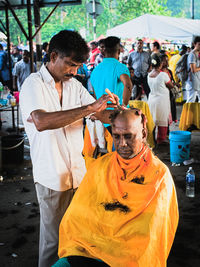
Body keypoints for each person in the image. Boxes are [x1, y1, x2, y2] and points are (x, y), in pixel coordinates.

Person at [19, 30, 119, 267]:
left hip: (77, 174)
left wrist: (117, 111)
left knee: (76, 237)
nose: (74, 71)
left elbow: (99, 113)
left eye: (78, 66)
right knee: (53, 242)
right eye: (71, 64)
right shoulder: (34, 84)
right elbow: (42, 121)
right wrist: (90, 109)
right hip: (51, 176)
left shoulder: (73, 85)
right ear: (53, 56)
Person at [55, 108, 179, 267]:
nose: (122, 144)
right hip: (88, 248)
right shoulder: (101, 165)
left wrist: (117, 244)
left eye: (129, 136)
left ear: (143, 133)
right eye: (117, 137)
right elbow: (77, 215)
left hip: (130, 255)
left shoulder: (159, 175)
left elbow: (152, 230)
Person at [89, 36, 132, 149]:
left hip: (102, 115)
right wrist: (124, 106)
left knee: (115, 143)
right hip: (117, 115)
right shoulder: (119, 67)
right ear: (118, 51)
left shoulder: (96, 70)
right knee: (122, 146)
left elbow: (94, 94)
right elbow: (127, 85)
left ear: (104, 50)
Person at [147, 54, 174, 144]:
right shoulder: (163, 75)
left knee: (153, 119)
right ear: (161, 64)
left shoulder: (149, 75)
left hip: (152, 100)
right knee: (162, 119)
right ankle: (161, 139)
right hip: (162, 101)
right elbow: (171, 86)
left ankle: (152, 139)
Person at [160, 54, 177, 123]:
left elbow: (172, 81)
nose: (166, 63)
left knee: (170, 111)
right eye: (164, 61)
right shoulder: (159, 73)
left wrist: (175, 84)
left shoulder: (169, 71)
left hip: (170, 95)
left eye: (167, 61)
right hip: (163, 96)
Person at [185, 36, 200, 102]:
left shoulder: (198, 54)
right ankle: (188, 112)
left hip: (197, 81)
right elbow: (193, 70)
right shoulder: (192, 55)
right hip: (192, 83)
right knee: (191, 101)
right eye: (199, 44)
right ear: (194, 44)